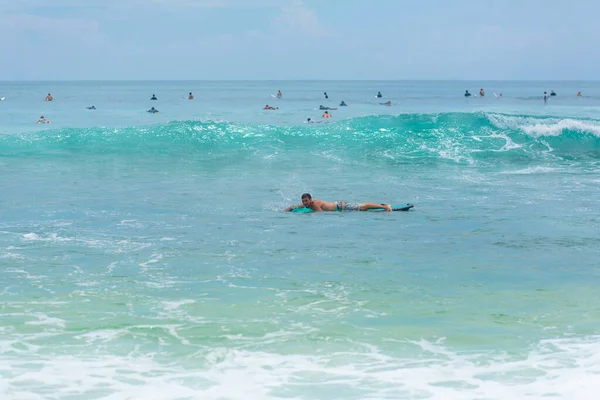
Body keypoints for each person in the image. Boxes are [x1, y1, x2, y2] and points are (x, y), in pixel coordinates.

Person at [285, 193, 392, 212]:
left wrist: (308, 213)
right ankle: (382, 206)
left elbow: (319, 213)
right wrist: (289, 208)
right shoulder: (307, 204)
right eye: (303, 201)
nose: (304, 203)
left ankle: (385, 206)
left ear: (311, 199)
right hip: (340, 207)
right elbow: (296, 206)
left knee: (363, 207)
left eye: (306, 201)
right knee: (362, 207)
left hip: (340, 206)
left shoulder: (315, 205)